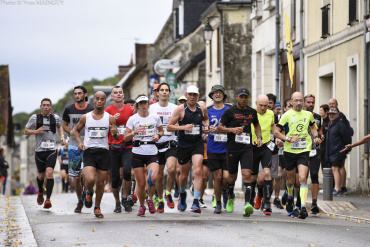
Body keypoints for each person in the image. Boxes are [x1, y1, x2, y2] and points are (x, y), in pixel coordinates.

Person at [274, 92, 321, 219]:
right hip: (289, 151)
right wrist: (288, 139)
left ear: (303, 102)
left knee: (302, 179)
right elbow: (276, 132)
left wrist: (316, 137)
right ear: (292, 102)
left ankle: (303, 207)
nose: (299, 103)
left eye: (301, 100)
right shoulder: (286, 115)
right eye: (296, 100)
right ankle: (290, 197)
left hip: (304, 150)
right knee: (290, 181)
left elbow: (313, 127)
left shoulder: (308, 115)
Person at [74, 91, 119, 219]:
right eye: (97, 99)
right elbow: (75, 130)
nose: (99, 101)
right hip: (89, 152)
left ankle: (97, 207)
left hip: (104, 152)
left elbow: (116, 136)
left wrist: (115, 133)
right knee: (90, 179)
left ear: (105, 101)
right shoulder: (86, 117)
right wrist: (79, 142)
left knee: (100, 183)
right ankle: (88, 191)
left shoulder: (109, 118)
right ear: (93, 101)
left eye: (102, 99)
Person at [217, 87, 262, 217]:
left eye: (245, 97)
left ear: (248, 98)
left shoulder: (252, 112)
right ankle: (230, 195)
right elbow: (219, 128)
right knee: (231, 178)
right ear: (236, 97)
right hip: (232, 148)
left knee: (247, 175)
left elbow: (256, 125)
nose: (243, 99)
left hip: (246, 148)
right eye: (241, 97)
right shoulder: (229, 112)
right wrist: (232, 130)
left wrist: (258, 137)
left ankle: (248, 204)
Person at [167, 85, 210, 213]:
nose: (192, 97)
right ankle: (182, 194)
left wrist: (206, 128)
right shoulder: (180, 109)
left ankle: (196, 202)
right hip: (183, 144)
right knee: (183, 175)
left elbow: (206, 119)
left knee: (197, 171)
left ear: (198, 96)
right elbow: (169, 127)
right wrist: (183, 127)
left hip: (197, 143)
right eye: (190, 94)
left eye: (194, 95)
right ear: (186, 95)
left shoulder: (202, 108)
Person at [124, 94, 164, 217]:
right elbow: (125, 138)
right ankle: (142, 205)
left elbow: (161, 131)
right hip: (137, 153)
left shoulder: (155, 117)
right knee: (141, 184)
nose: (143, 106)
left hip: (152, 151)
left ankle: (150, 199)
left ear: (148, 104)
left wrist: (158, 136)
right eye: (140, 103)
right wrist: (134, 132)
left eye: (145, 103)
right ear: (137, 106)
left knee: (153, 177)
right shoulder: (132, 119)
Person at [25, 98, 66, 209]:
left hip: (51, 150)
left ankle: (48, 199)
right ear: (41, 106)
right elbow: (26, 131)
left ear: (51, 107)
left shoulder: (55, 117)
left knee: (49, 172)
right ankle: (40, 191)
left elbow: (59, 126)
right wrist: (36, 131)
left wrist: (62, 137)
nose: (46, 107)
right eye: (44, 105)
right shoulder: (35, 118)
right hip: (39, 151)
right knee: (41, 175)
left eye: (48, 105)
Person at [62, 86, 94, 213]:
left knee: (87, 174)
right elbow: (64, 125)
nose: (77, 96)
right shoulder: (69, 109)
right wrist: (71, 131)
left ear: (85, 94)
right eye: (75, 94)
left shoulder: (91, 109)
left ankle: (87, 193)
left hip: (88, 145)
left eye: (79, 93)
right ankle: (80, 201)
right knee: (76, 177)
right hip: (74, 145)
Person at [148, 83, 178, 213]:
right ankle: (160, 200)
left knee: (171, 169)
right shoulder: (151, 108)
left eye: (167, 90)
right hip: (156, 144)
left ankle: (168, 192)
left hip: (171, 142)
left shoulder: (176, 108)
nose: (164, 92)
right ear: (157, 93)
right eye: (162, 90)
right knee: (159, 176)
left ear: (169, 93)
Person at [105, 86, 135, 213]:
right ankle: (117, 202)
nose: (118, 95)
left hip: (127, 146)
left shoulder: (130, 110)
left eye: (120, 93)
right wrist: (112, 120)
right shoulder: (107, 111)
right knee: (115, 178)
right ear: (112, 96)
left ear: (123, 95)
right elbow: (101, 126)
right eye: (115, 93)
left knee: (127, 172)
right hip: (113, 147)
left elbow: (137, 123)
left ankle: (124, 198)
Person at [251, 95, 276, 216]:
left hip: (266, 146)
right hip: (253, 146)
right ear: (256, 103)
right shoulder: (251, 113)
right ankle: (257, 195)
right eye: (260, 105)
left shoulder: (271, 114)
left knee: (267, 173)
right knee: (254, 176)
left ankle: (267, 203)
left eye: (265, 106)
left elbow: (273, 127)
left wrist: (277, 138)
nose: (263, 108)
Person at [206, 85, 230, 214]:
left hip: (227, 148)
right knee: (218, 177)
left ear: (223, 96)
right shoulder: (208, 111)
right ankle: (218, 203)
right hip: (213, 147)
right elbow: (203, 126)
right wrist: (206, 129)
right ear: (212, 96)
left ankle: (226, 190)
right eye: (215, 92)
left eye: (220, 92)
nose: (218, 94)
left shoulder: (229, 110)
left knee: (226, 177)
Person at [325, 108, 351, 195]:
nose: (331, 115)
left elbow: (347, 137)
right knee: (335, 169)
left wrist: (347, 148)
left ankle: (337, 188)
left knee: (335, 168)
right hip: (332, 151)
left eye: (333, 114)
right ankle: (337, 187)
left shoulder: (340, 125)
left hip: (338, 150)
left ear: (337, 115)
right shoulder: (330, 124)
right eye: (330, 114)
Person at [303, 94, 322, 215]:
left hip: (315, 150)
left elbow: (319, 130)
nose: (311, 104)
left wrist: (320, 136)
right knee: (302, 177)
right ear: (304, 103)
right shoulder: (300, 115)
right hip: (302, 149)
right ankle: (301, 202)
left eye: (312, 102)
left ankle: (314, 203)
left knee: (314, 174)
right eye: (308, 102)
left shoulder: (318, 117)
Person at [320, 104, 330, 170]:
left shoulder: (329, 122)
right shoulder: (323, 121)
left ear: (326, 111)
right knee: (323, 165)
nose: (320, 112)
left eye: (321, 110)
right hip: (322, 147)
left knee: (327, 166)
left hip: (328, 147)